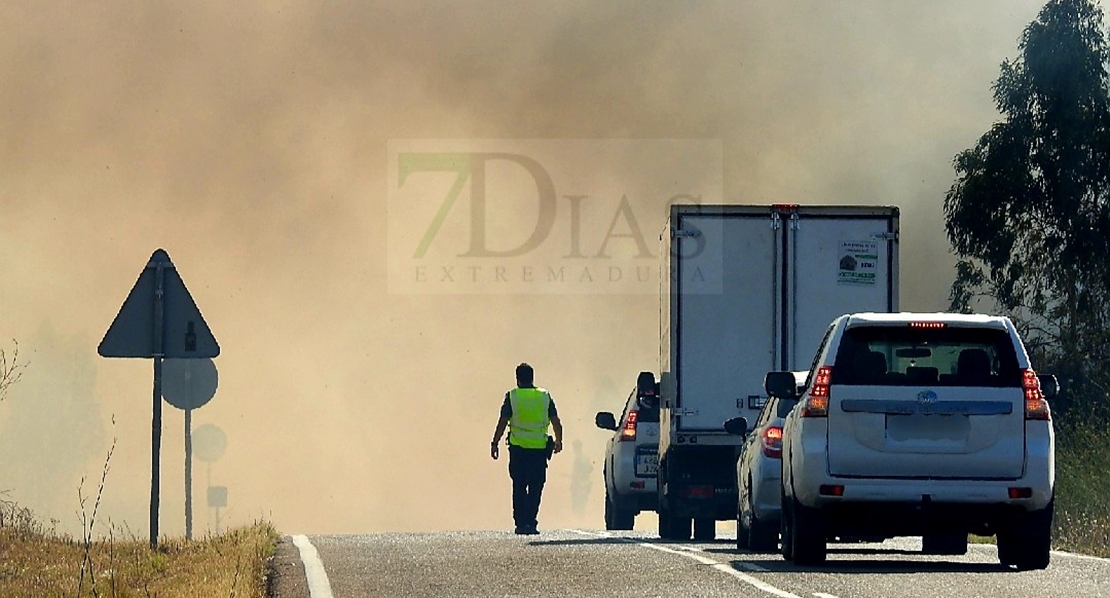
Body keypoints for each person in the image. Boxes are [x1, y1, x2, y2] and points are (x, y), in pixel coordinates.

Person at [490, 362, 563, 535]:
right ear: (532, 377)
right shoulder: (544, 396)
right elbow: (556, 421)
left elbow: (502, 422)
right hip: (539, 451)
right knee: (536, 487)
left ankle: (520, 523)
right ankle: (531, 521)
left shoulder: (512, 396)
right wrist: (559, 441)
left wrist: (495, 442)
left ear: (517, 379)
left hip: (518, 450)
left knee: (519, 486)